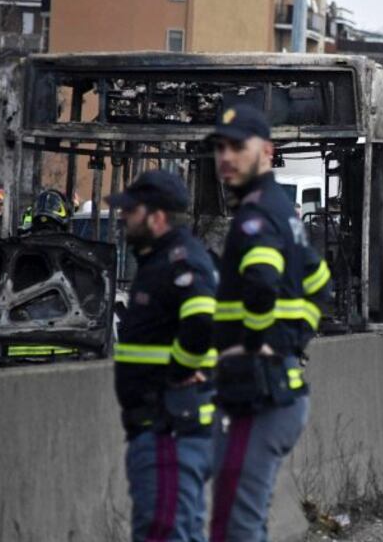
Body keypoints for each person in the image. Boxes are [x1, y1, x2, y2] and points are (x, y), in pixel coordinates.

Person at [207, 105, 331, 541]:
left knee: (235, 526)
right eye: (220, 147)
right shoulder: (283, 209)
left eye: (238, 147)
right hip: (272, 387)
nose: (226, 156)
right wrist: (295, 336)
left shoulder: (256, 215)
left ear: (266, 152)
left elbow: (261, 280)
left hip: (258, 391)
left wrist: (258, 341)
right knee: (245, 520)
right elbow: (320, 282)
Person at [108, 170, 217, 542]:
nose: (123, 218)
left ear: (156, 217)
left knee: (163, 530)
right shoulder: (159, 260)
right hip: (160, 425)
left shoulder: (179, 261)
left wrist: (180, 369)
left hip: (167, 426)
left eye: (131, 211)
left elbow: (202, 317)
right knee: (178, 529)